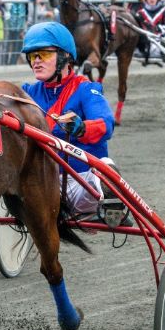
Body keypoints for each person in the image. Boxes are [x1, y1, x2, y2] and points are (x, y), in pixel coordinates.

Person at [19, 21, 123, 226]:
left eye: (44, 54)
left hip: (83, 184)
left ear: (65, 58)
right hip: (44, 186)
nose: (36, 62)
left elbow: (107, 124)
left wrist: (82, 128)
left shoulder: (85, 89)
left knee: (107, 167)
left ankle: (112, 204)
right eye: (32, 56)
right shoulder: (28, 93)